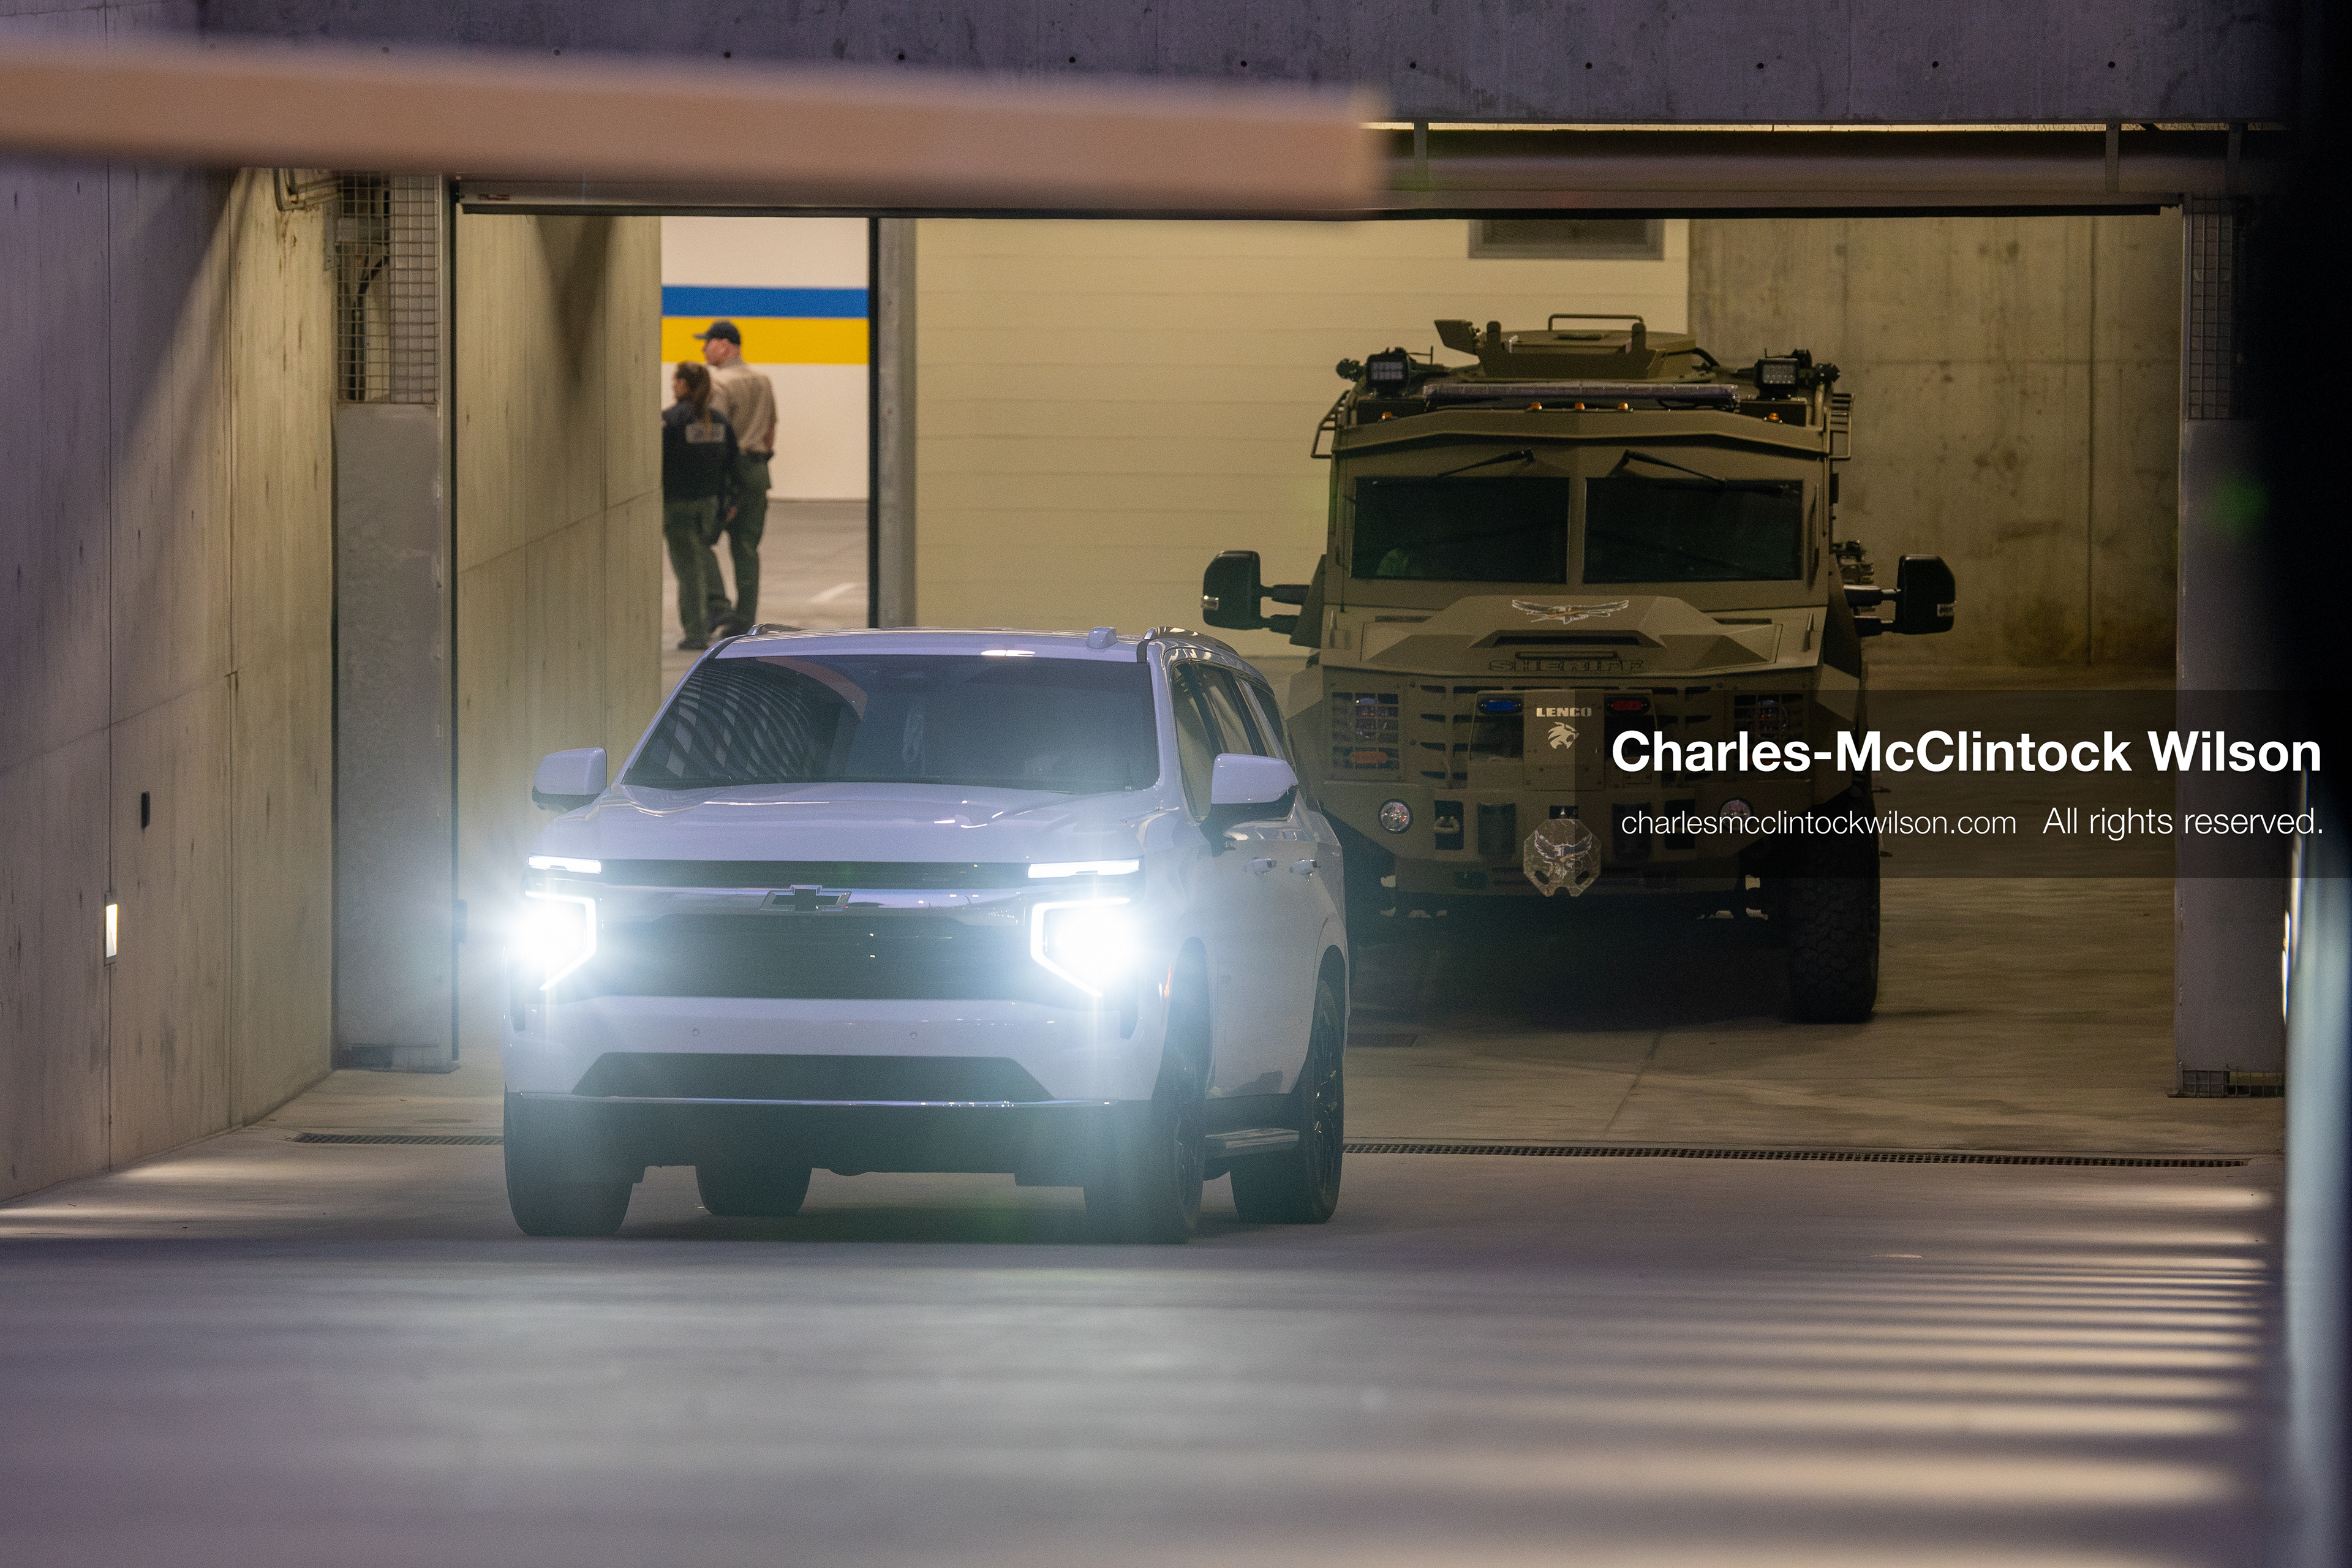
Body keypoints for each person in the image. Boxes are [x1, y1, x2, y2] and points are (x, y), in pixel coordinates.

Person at [695, 320, 780, 638]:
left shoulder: (718, 384)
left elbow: (715, 436)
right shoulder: (763, 381)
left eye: (708, 342)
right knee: (747, 549)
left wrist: (715, 482)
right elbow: (770, 431)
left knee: (699, 540)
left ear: (725, 345)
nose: (703, 349)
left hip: (727, 473)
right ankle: (745, 620)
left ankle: (718, 606)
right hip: (757, 473)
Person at [661, 361, 737, 651]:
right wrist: (729, 501)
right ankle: (719, 605)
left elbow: (661, 464)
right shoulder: (719, 421)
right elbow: (732, 464)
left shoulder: (670, 421)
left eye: (675, 380)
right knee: (702, 553)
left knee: (688, 569)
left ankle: (695, 629)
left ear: (683, 385)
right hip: (709, 505)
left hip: (679, 505)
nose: (672, 385)